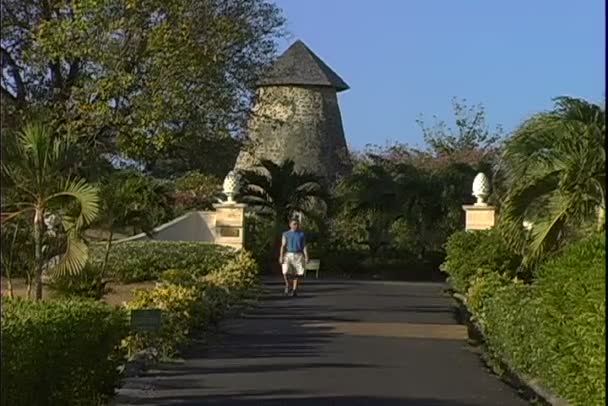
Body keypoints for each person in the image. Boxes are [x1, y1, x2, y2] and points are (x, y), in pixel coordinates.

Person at [279, 218, 308, 297]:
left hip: (298, 254)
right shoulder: (286, 234)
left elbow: (304, 246)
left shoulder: (301, 234)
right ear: (290, 225)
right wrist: (281, 256)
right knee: (285, 271)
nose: (296, 226)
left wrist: (306, 256)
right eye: (294, 224)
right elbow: (283, 245)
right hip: (288, 254)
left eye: (297, 224)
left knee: (297, 273)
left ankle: (294, 290)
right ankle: (288, 284)